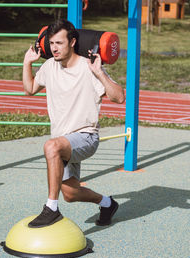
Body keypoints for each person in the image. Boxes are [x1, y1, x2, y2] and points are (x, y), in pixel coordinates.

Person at [22, 19, 125, 228]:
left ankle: (51, 208)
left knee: (51, 146)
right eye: (51, 44)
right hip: (63, 140)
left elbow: (119, 97)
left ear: (72, 42)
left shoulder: (88, 68)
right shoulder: (50, 66)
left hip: (86, 137)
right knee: (70, 193)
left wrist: (100, 73)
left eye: (59, 43)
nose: (54, 48)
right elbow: (30, 88)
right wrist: (27, 63)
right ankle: (107, 204)